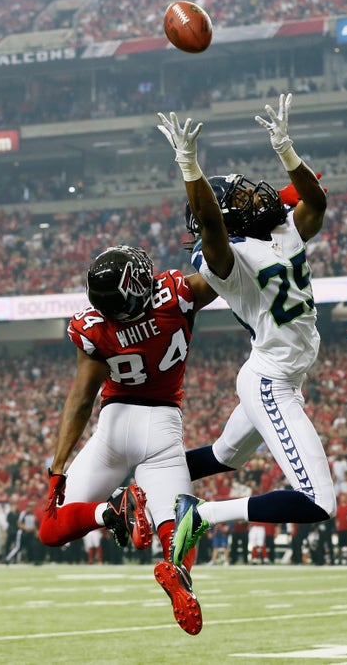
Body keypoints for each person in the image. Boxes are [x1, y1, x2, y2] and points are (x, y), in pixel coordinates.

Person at [154, 93, 334, 568]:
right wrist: (190, 167)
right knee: (318, 501)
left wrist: (287, 150)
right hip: (270, 381)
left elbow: (315, 200)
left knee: (222, 457)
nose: (253, 195)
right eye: (236, 198)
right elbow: (211, 230)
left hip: (280, 373)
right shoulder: (226, 262)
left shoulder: (281, 229)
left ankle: (135, 481)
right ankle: (203, 514)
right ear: (226, 215)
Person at [36, 245, 218, 636]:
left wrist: (57, 468)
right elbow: (225, 271)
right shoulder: (175, 295)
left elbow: (81, 399)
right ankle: (179, 572)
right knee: (179, 527)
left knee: (50, 530)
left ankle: (110, 511)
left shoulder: (93, 327)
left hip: (113, 426)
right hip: (162, 426)